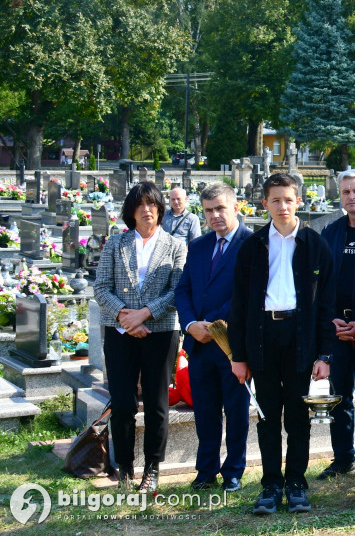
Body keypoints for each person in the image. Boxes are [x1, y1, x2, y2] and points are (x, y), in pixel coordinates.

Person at [228, 173, 335, 515]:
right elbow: (239, 304)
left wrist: (325, 354)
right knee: (268, 415)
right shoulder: (253, 246)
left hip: (300, 337)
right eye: (275, 200)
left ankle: (296, 483)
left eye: (289, 199)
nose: (283, 206)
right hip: (263, 338)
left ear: (298, 202)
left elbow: (327, 304)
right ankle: (272, 484)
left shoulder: (315, 245)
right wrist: (238, 355)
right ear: (265, 204)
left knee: (298, 416)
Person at [94, 182, 186, 493]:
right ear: (130, 211)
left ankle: (152, 468)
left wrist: (144, 314)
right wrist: (126, 316)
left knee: (158, 403)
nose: (147, 210)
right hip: (120, 332)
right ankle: (125, 467)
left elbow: (177, 291)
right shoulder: (114, 245)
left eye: (152, 204)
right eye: (140, 205)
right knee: (122, 402)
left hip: (160, 333)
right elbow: (101, 288)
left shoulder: (175, 246)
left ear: (160, 209)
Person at [175, 182, 252, 493]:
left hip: (233, 345)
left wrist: (215, 325)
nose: (215, 215)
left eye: (221, 208)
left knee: (236, 412)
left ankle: (233, 470)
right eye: (208, 210)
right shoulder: (198, 246)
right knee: (205, 411)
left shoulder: (252, 243)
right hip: (199, 345)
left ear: (236, 206)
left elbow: (247, 294)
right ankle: (206, 470)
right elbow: (184, 290)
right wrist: (192, 324)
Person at [319, 169, 355, 479]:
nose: (351, 197)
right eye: (345, 192)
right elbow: (321, 283)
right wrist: (331, 321)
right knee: (338, 397)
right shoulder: (330, 233)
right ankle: (343, 459)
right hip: (338, 330)